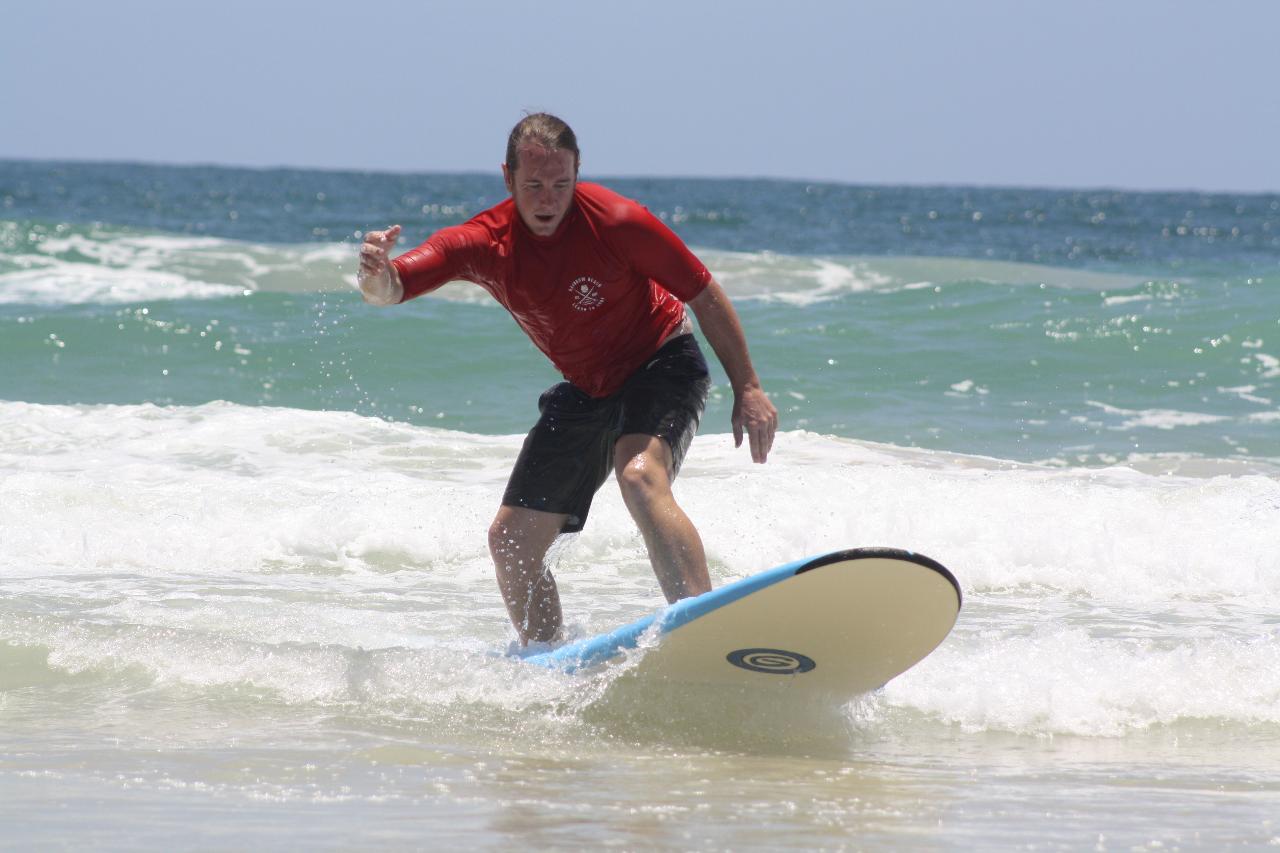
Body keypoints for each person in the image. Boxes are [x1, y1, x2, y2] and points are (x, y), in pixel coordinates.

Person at [357, 113, 777, 646]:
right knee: (510, 538)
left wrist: (749, 387)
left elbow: (703, 292)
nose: (548, 199)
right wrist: (376, 274)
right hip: (588, 387)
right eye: (533, 185)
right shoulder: (484, 241)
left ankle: (705, 631)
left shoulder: (619, 222)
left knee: (639, 475)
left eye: (561, 183)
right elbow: (392, 289)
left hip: (661, 361)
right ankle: (547, 660)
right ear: (508, 179)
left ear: (578, 173)